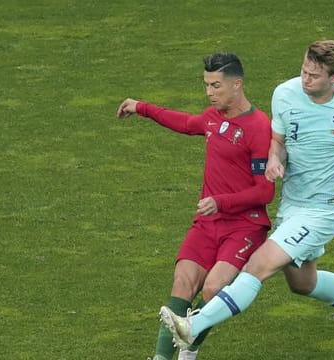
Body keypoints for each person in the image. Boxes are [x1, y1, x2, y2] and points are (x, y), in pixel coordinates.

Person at [160, 40, 334, 350]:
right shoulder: (285, 93)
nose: (306, 79)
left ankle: (192, 325)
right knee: (303, 284)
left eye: (315, 76)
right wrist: (275, 158)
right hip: (291, 207)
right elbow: (277, 141)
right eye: (304, 71)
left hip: (321, 212)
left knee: (259, 264)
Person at [116, 52, 274, 360]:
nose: (209, 93)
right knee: (183, 281)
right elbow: (187, 123)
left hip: (245, 226)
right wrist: (142, 107)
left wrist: (220, 202)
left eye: (216, 86)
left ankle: (188, 354)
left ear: (237, 84)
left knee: (213, 289)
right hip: (207, 224)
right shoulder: (213, 117)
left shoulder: (258, 126)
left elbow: (265, 191)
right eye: (206, 85)